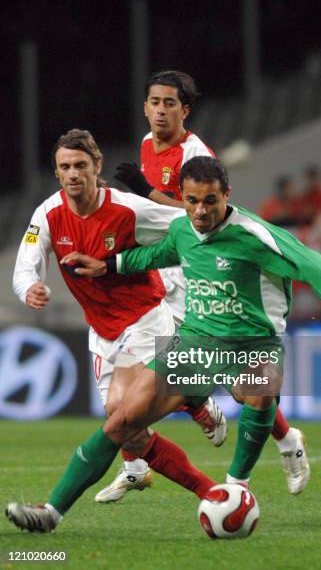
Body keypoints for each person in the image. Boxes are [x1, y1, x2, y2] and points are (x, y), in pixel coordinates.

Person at [6, 156, 321, 534]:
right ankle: (52, 512)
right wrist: (108, 266)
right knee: (122, 421)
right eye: (192, 201)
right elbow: (159, 253)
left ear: (227, 194)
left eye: (209, 201)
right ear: (183, 196)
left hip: (252, 343)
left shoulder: (254, 235)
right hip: (195, 344)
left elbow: (319, 268)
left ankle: (237, 487)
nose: (199, 211)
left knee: (262, 389)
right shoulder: (183, 227)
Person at [114, 69, 309, 495]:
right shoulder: (148, 145)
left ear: (185, 110)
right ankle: (142, 457)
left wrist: (146, 192)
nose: (161, 111)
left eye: (170, 104)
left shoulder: (195, 152)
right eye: (155, 102)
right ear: (145, 107)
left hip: (202, 273)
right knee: (167, 370)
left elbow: (192, 211)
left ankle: (284, 439)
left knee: (242, 387)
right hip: (169, 268)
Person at [10, 130, 224, 515]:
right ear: (57, 173)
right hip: (103, 331)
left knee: (124, 418)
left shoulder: (128, 209)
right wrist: (29, 289)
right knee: (128, 429)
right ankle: (212, 491)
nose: (73, 174)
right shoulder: (47, 214)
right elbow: (25, 265)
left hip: (144, 319)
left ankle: (52, 511)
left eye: (80, 165)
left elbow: (187, 221)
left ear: (97, 167)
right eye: (65, 167)